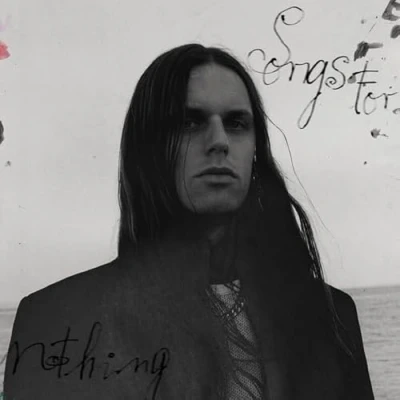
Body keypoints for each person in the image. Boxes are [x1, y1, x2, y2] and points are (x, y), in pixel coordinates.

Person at [4, 43, 374, 400]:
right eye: (189, 122)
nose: (219, 141)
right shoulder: (58, 320)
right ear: (147, 148)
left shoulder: (328, 316)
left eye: (237, 123)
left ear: (255, 149)